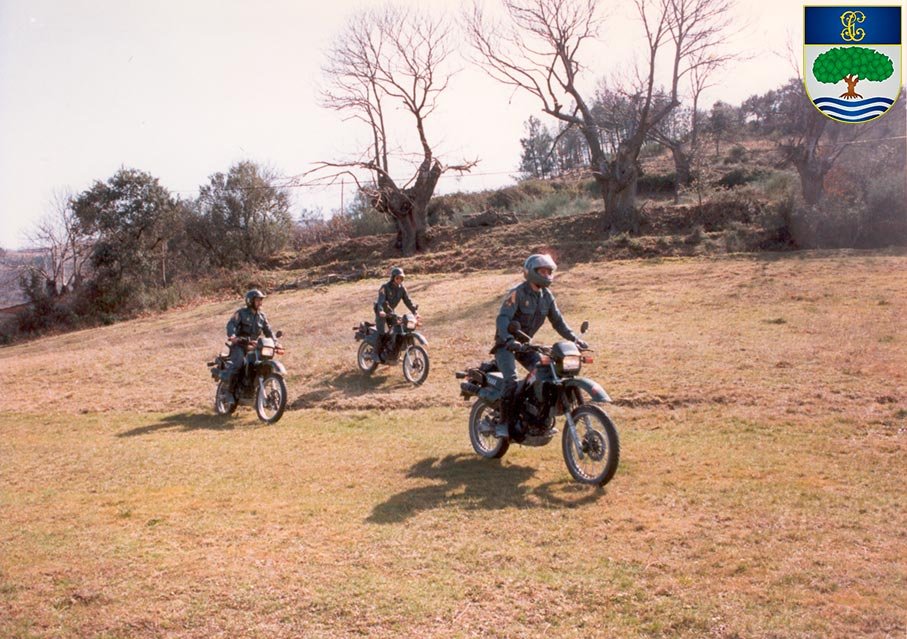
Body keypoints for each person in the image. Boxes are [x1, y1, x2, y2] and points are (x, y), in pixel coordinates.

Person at [492, 254, 587, 437]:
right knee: (511, 380)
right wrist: (509, 340)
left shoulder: (547, 297)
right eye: (541, 271)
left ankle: (539, 417)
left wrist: (575, 339)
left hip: (526, 346)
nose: (545, 274)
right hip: (506, 345)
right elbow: (503, 318)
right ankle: (503, 423)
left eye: (548, 271)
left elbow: (558, 322)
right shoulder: (517, 293)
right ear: (531, 272)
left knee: (547, 374)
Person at [221, 289, 274, 403]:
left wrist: (275, 341)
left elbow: (268, 331)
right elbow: (231, 324)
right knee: (240, 363)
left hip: (254, 346)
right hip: (239, 344)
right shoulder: (241, 313)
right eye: (258, 300)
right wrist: (233, 336)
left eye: (261, 300)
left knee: (261, 363)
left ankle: (253, 389)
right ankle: (230, 392)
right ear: (250, 301)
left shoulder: (262, 316)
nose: (260, 302)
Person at [374, 266, 419, 362]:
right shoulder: (384, 287)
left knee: (399, 330)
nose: (399, 280)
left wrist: (415, 312)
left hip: (391, 312)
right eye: (397, 278)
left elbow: (408, 301)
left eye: (401, 278)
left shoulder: (402, 289)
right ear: (393, 277)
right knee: (382, 332)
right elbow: (381, 301)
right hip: (381, 312)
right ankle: (376, 354)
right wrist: (381, 311)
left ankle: (394, 352)